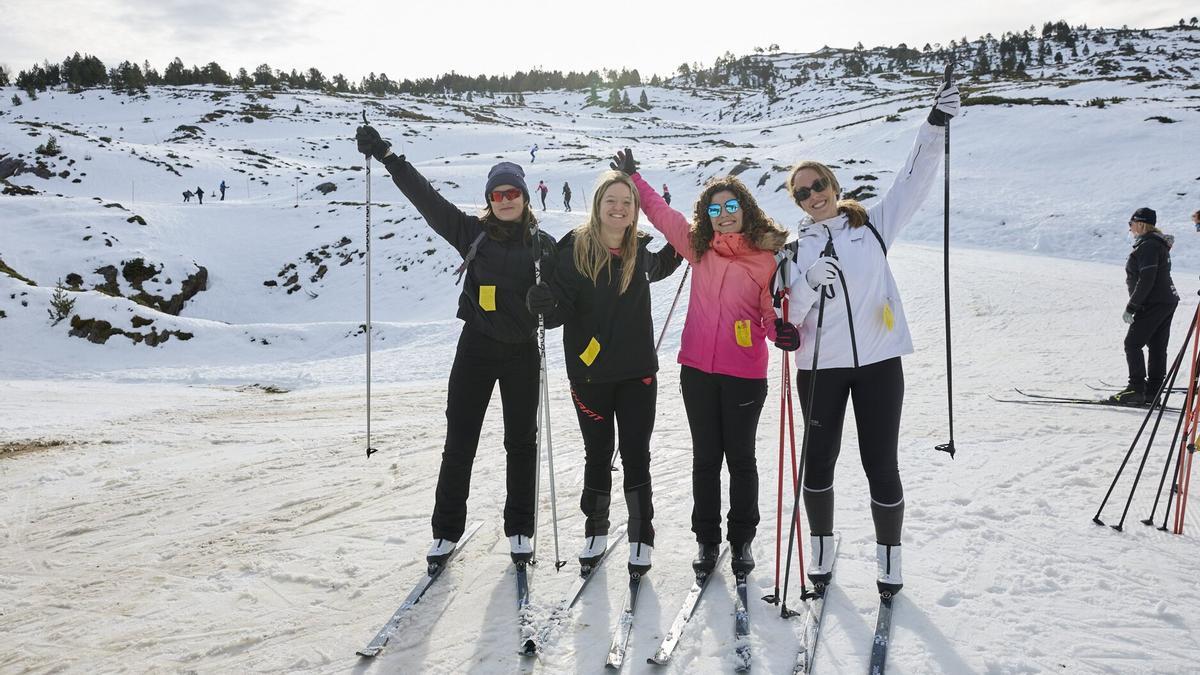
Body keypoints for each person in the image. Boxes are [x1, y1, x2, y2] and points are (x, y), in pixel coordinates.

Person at [776, 78, 959, 596]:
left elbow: (913, 179)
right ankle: (822, 545)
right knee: (818, 461)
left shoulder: (873, 226)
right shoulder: (794, 249)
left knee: (880, 460)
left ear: (833, 186)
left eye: (818, 186)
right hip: (819, 368)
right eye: (801, 192)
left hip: (879, 363)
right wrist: (809, 285)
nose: (812, 196)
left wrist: (935, 125)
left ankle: (889, 555)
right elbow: (787, 316)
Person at [355, 124, 556, 567]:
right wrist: (389, 156)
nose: (505, 200)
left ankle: (520, 528)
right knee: (460, 438)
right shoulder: (471, 234)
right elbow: (427, 200)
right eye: (497, 195)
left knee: (521, 442)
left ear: (524, 197)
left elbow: (561, 310)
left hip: (523, 352)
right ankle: (446, 531)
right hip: (477, 349)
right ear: (489, 200)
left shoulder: (544, 246)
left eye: (512, 194)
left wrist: (548, 303)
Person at [616, 148, 795, 577]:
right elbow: (661, 215)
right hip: (696, 371)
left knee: (741, 459)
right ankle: (707, 540)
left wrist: (780, 333)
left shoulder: (765, 259)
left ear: (744, 209)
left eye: (731, 206)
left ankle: (742, 540)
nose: (724, 214)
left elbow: (768, 313)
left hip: (745, 377)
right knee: (705, 458)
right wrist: (635, 179)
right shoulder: (698, 248)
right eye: (715, 209)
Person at [530, 170, 682, 574]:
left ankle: (640, 535)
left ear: (635, 211)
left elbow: (667, 262)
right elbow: (558, 313)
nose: (619, 208)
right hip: (589, 376)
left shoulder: (640, 252)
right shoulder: (573, 250)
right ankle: (595, 529)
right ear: (597, 205)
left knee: (636, 456)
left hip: (637, 374)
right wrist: (542, 303)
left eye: (626, 202)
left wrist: (687, 240)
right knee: (597, 454)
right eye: (611, 200)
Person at [1110, 207, 1179, 405]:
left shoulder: (1148, 245)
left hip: (1154, 302)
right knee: (1157, 347)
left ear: (1140, 223)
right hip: (1166, 300)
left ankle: (1136, 389)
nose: (1130, 229)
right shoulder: (1155, 244)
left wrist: (1132, 306)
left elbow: (1147, 279)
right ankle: (1153, 392)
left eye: (1130, 224)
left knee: (1132, 343)